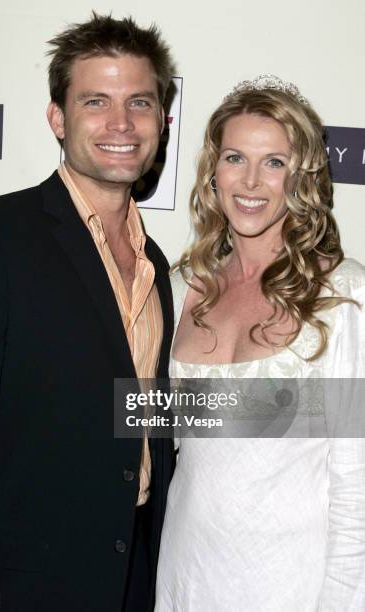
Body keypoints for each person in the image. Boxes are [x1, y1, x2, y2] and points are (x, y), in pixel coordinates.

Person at [0, 13, 175, 612]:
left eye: (139, 103)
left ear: (163, 124)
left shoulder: (160, 268)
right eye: (97, 101)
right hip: (18, 586)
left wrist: (306, 411)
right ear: (57, 118)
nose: (121, 123)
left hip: (135, 576)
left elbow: (140, 409)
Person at [155, 76, 365, 611]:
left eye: (274, 161)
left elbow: (356, 490)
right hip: (185, 576)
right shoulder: (180, 289)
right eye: (234, 158)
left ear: (302, 176)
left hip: (287, 588)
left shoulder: (345, 296)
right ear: (213, 171)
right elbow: (148, 433)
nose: (251, 180)